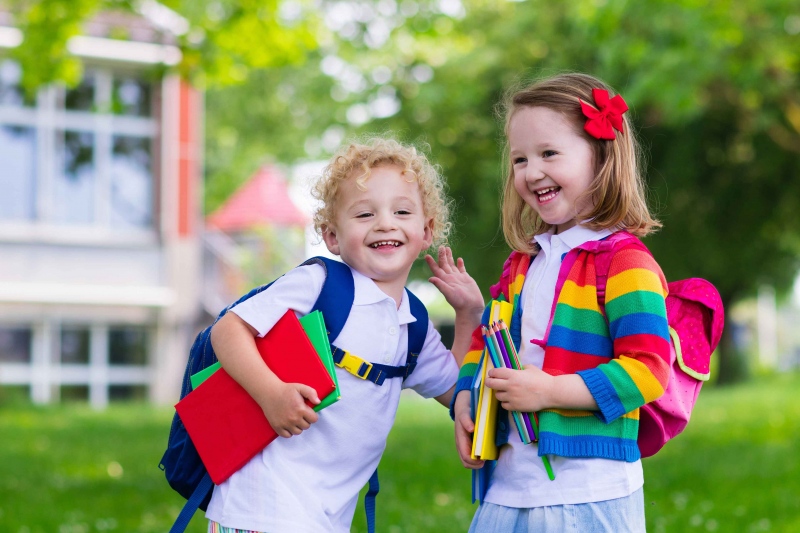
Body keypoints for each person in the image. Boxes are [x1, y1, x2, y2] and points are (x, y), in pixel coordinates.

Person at [204, 137, 484, 532]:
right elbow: (228, 329)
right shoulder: (318, 283)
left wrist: (468, 316)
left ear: (427, 230)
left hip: (326, 517)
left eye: (402, 211)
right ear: (333, 236)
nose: (385, 223)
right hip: (261, 504)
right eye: (364, 214)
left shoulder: (413, 324)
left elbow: (458, 391)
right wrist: (271, 393)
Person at [439, 73, 671, 532]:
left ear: (601, 157)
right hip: (509, 487)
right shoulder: (522, 264)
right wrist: (466, 397)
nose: (531, 171)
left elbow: (648, 370)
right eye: (520, 158)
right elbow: (489, 343)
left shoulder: (625, 261)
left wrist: (550, 392)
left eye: (549, 153)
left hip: (589, 491)